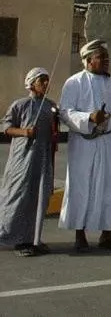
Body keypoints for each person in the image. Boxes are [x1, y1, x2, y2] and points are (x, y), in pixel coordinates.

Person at [59, 39, 111, 252]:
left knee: (110, 186)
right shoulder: (74, 82)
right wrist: (89, 117)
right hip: (83, 142)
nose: (106, 61)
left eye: (107, 58)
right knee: (82, 186)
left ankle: (107, 234)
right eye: (101, 57)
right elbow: (65, 112)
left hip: (108, 140)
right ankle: (80, 234)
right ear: (88, 60)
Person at [0, 68, 58, 257]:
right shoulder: (20, 105)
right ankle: (14, 238)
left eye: (48, 80)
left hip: (42, 159)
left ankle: (32, 239)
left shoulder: (51, 106)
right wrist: (24, 132)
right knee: (18, 197)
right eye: (42, 80)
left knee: (39, 198)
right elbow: (6, 127)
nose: (46, 84)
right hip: (22, 159)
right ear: (32, 83)